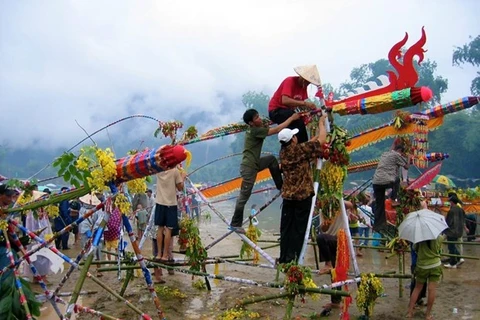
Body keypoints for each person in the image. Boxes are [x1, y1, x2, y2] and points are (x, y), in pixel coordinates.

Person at [229, 108, 300, 233]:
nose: (259, 119)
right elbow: (277, 130)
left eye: (258, 116)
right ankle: (235, 223)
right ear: (251, 123)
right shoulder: (255, 131)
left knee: (271, 160)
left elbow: (268, 125)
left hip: (255, 163)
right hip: (249, 166)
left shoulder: (256, 128)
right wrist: (291, 118)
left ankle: (281, 186)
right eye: (256, 118)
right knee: (244, 196)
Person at [277, 112, 327, 263]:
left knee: (286, 229)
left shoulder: (284, 152)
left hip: (288, 197)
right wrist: (321, 123)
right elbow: (322, 140)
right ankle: (294, 259)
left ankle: (284, 258)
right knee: (298, 229)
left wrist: (312, 138)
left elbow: (305, 147)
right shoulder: (299, 151)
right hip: (301, 197)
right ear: (293, 139)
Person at [268, 65, 321, 143]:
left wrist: (312, 109)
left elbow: (301, 105)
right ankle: (303, 146)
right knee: (299, 124)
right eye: (307, 81)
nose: (307, 84)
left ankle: (298, 146)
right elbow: (285, 100)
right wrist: (305, 103)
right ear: (302, 78)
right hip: (276, 110)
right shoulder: (290, 81)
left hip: (288, 112)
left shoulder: (303, 87)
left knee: (296, 128)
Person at [372, 144, 409, 232]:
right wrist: (409, 157)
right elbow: (407, 166)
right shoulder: (397, 155)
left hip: (376, 182)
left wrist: (396, 140)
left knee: (379, 205)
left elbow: (392, 149)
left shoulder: (385, 154)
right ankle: (393, 198)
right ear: (400, 151)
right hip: (386, 181)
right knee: (397, 180)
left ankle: (378, 225)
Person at [406, 236, 443, 320]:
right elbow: (440, 250)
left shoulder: (419, 238)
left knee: (417, 288)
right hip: (435, 265)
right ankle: (427, 315)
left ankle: (410, 312)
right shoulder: (438, 237)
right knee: (432, 290)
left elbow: (414, 248)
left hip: (422, 266)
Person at [154, 167, 185, 262]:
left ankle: (159, 254)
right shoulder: (175, 171)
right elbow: (180, 188)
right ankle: (165, 255)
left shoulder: (158, 170)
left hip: (159, 202)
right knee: (168, 229)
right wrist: (182, 177)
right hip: (170, 204)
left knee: (160, 228)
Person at [443, 193, 467, 268]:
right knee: (453, 246)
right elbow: (463, 219)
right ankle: (459, 259)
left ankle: (453, 262)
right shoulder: (460, 210)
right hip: (459, 231)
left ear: (452, 202)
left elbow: (448, 222)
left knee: (451, 247)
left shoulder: (451, 211)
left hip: (452, 232)